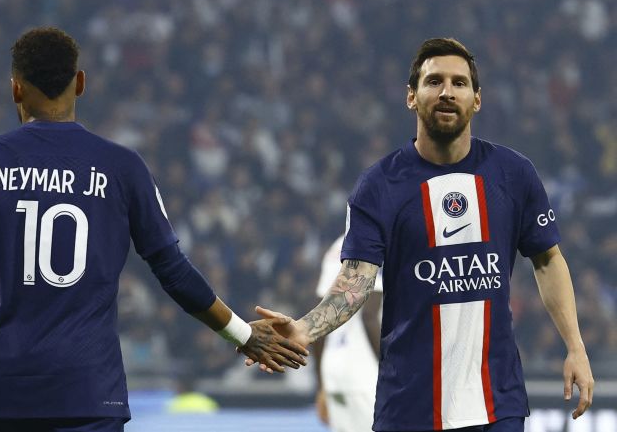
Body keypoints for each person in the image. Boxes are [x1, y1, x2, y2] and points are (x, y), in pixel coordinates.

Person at [0, 27, 307, 432]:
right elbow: (173, 270)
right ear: (80, 83)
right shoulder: (122, 167)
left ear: (15, 87)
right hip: (91, 395)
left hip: (7, 395)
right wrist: (243, 335)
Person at [249, 38, 594, 431]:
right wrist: (302, 329)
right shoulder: (378, 186)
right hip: (410, 408)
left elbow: (548, 260)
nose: (447, 91)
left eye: (459, 83)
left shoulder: (513, 174)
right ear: (411, 97)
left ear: (477, 100)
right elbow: (355, 282)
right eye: (434, 81)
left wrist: (576, 347)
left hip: (497, 404)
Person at [313, 235, 382, 432]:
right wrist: (390, 369)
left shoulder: (337, 247)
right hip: (366, 370)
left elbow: (319, 320)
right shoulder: (378, 240)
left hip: (333, 370)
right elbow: (369, 316)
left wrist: (321, 385)